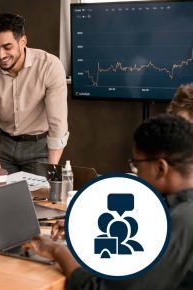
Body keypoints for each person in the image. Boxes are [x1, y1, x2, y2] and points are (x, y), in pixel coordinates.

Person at [23, 114, 193, 290]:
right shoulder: (180, 210)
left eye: (137, 166)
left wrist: (56, 250)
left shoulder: (179, 223)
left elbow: (98, 287)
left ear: (160, 168)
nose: (136, 174)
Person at [0, 12, 69, 175]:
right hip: (2, 145)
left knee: (38, 198)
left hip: (39, 147)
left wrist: (51, 171)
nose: (1, 55)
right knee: (1, 197)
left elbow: (57, 124)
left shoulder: (49, 66)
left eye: (7, 47)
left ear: (23, 41)